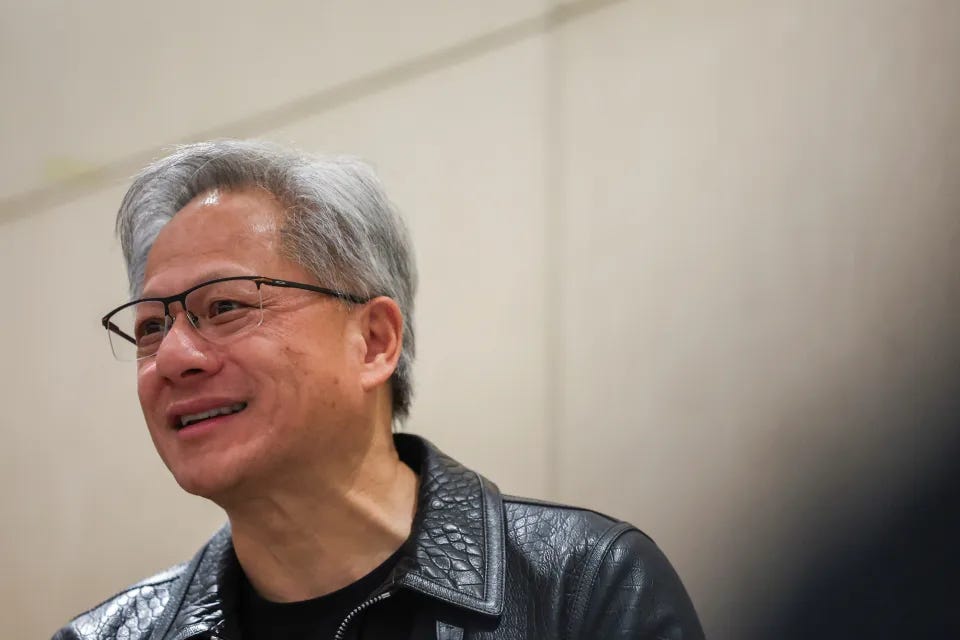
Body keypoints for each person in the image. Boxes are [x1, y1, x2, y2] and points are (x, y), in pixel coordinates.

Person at [53, 140, 704, 640]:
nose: (173, 357)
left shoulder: (582, 590)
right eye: (150, 327)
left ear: (374, 341)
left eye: (223, 307)